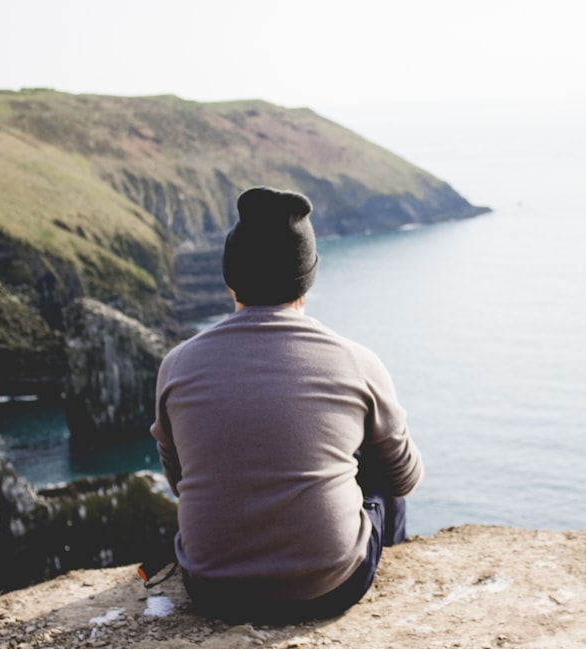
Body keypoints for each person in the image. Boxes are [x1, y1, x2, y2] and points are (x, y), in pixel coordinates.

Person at [150, 185, 423, 623]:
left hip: (212, 590)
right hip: (329, 589)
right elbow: (403, 479)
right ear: (308, 276)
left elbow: (179, 479)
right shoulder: (356, 361)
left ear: (229, 277)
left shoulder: (177, 364)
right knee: (372, 456)